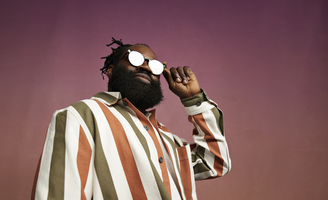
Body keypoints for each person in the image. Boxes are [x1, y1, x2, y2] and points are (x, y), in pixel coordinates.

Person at [31, 38, 231, 200]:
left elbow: (216, 161)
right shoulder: (82, 116)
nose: (145, 67)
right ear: (111, 69)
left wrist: (193, 99)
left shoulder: (168, 140)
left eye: (153, 65)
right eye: (135, 59)